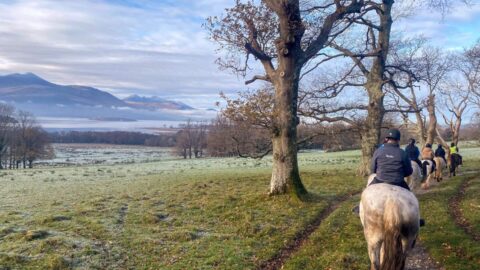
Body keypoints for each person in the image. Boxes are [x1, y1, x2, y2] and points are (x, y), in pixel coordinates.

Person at [353, 129, 424, 226]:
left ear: (386, 139)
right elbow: (408, 172)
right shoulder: (402, 153)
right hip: (398, 182)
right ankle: (416, 219)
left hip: (380, 180)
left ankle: (360, 209)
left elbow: (373, 169)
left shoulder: (378, 151)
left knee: (367, 191)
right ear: (398, 140)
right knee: (410, 197)